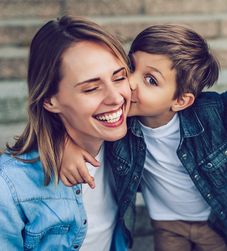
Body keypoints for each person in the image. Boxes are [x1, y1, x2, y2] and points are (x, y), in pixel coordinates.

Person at [60, 24, 227, 251]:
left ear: (180, 101)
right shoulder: (117, 123)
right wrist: (65, 143)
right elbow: (73, 116)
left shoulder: (211, 112)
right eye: (131, 66)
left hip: (214, 220)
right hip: (166, 222)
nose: (130, 83)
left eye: (151, 80)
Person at [0, 14, 131, 250]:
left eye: (120, 77)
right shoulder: (10, 186)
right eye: (91, 88)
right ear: (50, 100)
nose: (116, 98)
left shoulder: (131, 145)